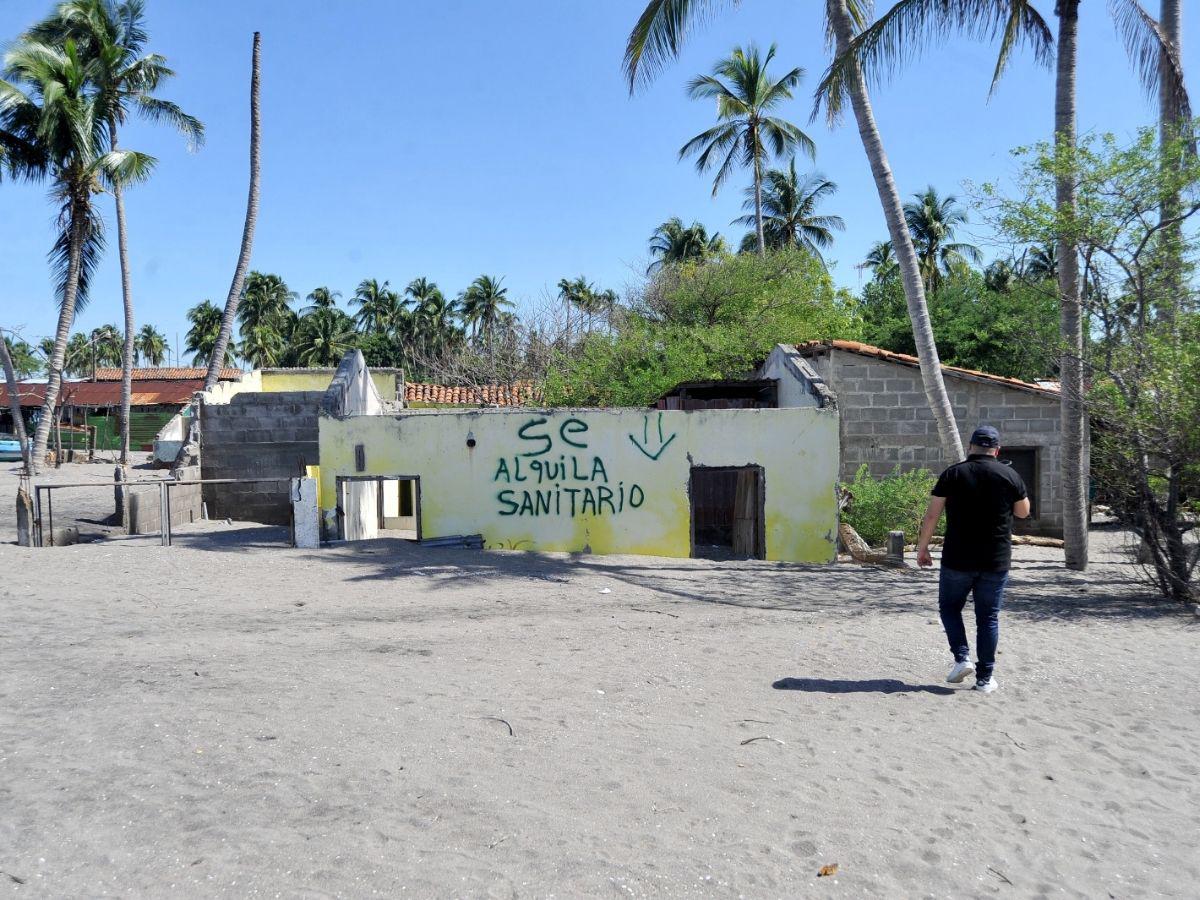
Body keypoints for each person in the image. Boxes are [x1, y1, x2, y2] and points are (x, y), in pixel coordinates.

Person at [916, 425, 1031, 694]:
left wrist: (923, 549)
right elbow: (1024, 512)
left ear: (970, 447)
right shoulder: (1010, 474)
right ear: (997, 450)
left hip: (958, 557)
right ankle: (985, 678)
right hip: (995, 559)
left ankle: (962, 658)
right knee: (988, 618)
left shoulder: (953, 474)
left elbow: (932, 515)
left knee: (949, 608)